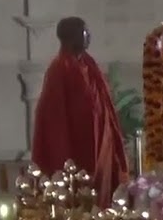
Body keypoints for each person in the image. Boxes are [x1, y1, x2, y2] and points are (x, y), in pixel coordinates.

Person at [30, 17, 128, 207]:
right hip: (77, 156)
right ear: (72, 37)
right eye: (85, 32)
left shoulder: (89, 65)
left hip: (101, 149)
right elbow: (54, 121)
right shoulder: (59, 69)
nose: (89, 36)